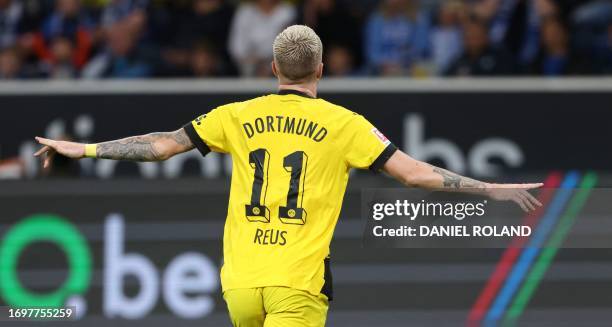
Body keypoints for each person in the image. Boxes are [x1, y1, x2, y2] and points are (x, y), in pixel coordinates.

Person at [34, 25, 542, 327]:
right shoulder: (344, 125)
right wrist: (489, 187)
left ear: (273, 69)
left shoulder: (235, 115)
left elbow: (162, 146)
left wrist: (85, 148)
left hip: (239, 287)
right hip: (296, 285)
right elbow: (412, 175)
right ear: (320, 70)